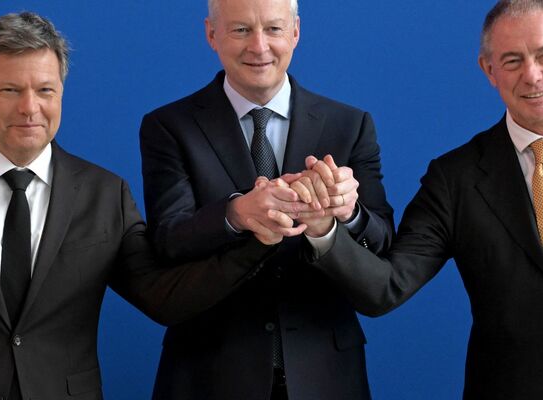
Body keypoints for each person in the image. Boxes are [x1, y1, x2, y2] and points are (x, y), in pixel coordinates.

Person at [0, 12, 287, 400]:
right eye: (9, 90)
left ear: (61, 91)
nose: (29, 108)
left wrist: (258, 239)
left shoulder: (105, 194)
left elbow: (163, 298)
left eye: (45, 89)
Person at [302, 0, 543, 398]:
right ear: (489, 70)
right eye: (512, 61)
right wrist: (324, 229)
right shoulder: (454, 179)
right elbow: (386, 288)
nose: (533, 75)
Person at [138, 0, 394, 398]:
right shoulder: (168, 127)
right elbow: (168, 241)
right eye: (240, 30)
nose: (259, 47)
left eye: (273, 29)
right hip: (209, 374)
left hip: (326, 374)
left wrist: (347, 214)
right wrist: (236, 213)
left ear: (295, 32)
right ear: (211, 34)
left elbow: (382, 242)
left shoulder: (350, 125)